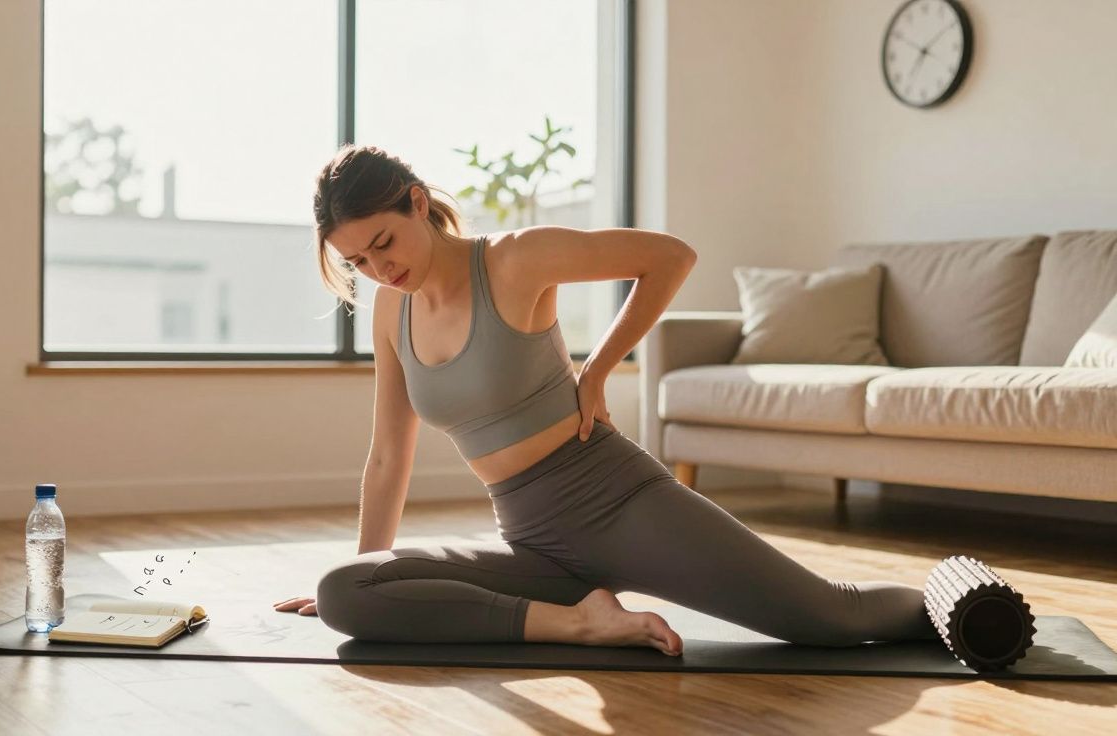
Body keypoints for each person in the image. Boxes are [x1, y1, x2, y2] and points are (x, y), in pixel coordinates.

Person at [273, 143, 940, 657]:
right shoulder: (391, 311)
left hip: (620, 506)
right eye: (357, 261)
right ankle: (579, 622)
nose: (379, 269)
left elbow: (670, 257)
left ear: (418, 202)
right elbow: (389, 456)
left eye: (383, 243)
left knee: (828, 619)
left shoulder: (513, 259)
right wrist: (367, 561)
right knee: (345, 590)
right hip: (534, 544)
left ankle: (957, 600)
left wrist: (598, 370)